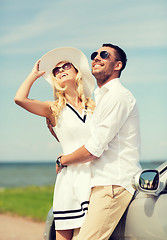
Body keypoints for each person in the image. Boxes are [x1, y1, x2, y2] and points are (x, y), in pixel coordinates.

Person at [55, 43, 141, 240]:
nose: (96, 58)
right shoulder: (100, 98)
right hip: (97, 185)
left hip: (112, 184)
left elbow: (94, 148)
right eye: (94, 54)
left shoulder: (118, 96)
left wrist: (63, 160)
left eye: (104, 55)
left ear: (117, 65)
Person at [14, 47, 95, 240]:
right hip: (70, 180)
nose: (61, 70)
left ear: (77, 72)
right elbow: (20, 99)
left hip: (95, 178)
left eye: (66, 66)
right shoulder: (53, 109)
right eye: (56, 70)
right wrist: (33, 75)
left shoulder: (94, 106)